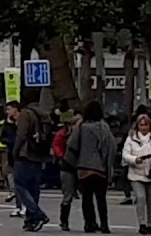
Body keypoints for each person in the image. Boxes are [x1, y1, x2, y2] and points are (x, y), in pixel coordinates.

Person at [65, 100, 115, 235]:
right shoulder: (105, 128)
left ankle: (89, 223)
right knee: (101, 198)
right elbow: (111, 146)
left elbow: (71, 144)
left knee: (87, 199)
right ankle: (104, 224)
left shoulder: (81, 127)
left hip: (83, 166)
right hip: (100, 167)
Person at [123, 113, 151, 235]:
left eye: (146, 125)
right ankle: (141, 223)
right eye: (141, 125)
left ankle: (150, 224)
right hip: (136, 173)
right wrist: (134, 159)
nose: (143, 127)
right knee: (140, 198)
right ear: (137, 126)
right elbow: (125, 154)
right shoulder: (131, 138)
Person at [10, 101, 50, 231]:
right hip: (39, 155)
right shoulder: (43, 115)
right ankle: (30, 220)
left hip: (26, 155)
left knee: (20, 185)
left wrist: (14, 152)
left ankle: (38, 214)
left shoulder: (26, 114)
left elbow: (21, 135)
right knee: (34, 189)